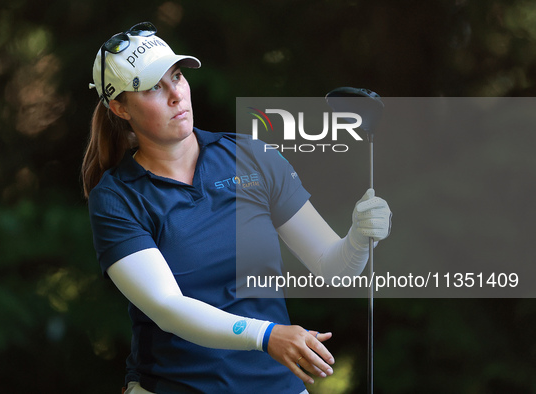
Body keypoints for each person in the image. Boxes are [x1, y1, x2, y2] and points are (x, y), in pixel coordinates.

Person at [82, 22, 391, 394]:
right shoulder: (117, 198)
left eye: (176, 77)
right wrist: (267, 336)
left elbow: (333, 268)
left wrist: (360, 236)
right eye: (152, 87)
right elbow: (168, 308)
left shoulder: (252, 156)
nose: (175, 95)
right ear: (119, 107)